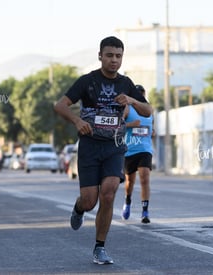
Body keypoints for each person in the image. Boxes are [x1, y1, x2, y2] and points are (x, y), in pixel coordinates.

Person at [54, 36, 152, 265]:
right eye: (109, 55)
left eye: (118, 56)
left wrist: (131, 100)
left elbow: (148, 110)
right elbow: (59, 105)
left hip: (114, 146)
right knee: (90, 201)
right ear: (100, 56)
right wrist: (77, 122)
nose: (114, 60)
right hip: (89, 145)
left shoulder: (126, 83)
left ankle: (100, 247)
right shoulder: (87, 81)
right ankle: (79, 208)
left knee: (108, 193)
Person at [121, 85, 155, 224]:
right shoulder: (127, 109)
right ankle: (127, 201)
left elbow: (152, 127)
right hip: (130, 149)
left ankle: (145, 211)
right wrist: (131, 125)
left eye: (142, 95)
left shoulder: (148, 110)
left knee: (145, 178)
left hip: (145, 149)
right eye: (138, 95)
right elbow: (118, 125)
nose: (140, 98)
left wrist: (153, 132)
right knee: (130, 182)